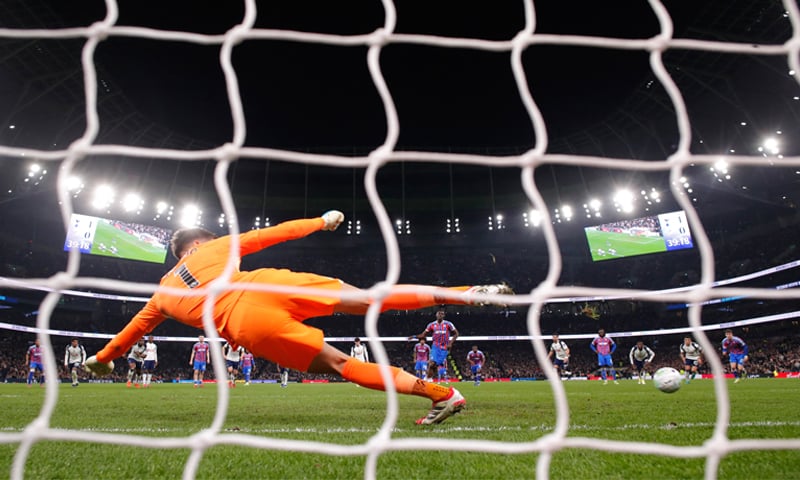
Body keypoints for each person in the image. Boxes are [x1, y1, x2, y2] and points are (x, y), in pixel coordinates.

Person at [85, 211, 512, 425]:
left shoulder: (160, 294)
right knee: (371, 298)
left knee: (341, 364)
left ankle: (442, 394)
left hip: (248, 325)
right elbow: (270, 235)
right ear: (198, 244)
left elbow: (128, 336)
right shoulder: (215, 249)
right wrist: (320, 222)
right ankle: (468, 293)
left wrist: (102, 358)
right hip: (269, 284)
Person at [410, 307, 459, 385]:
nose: (440, 315)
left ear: (444, 316)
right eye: (439, 313)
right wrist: (414, 336)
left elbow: (456, 333)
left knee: (436, 365)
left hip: (444, 348)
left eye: (442, 314)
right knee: (432, 363)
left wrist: (450, 343)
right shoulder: (432, 325)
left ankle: (429, 378)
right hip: (435, 346)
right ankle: (427, 379)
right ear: (436, 315)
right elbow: (423, 334)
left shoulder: (448, 324)